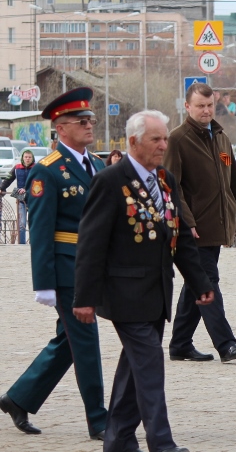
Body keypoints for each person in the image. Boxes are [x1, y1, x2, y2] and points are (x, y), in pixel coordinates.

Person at [73, 110, 215, 452]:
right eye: (156, 139)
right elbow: (91, 244)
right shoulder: (110, 180)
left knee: (132, 370)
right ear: (134, 142)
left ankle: (118, 439)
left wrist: (200, 282)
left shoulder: (165, 179)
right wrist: (84, 297)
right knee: (150, 365)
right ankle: (161, 443)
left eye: (165, 138)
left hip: (157, 295)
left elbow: (179, 238)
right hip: (125, 295)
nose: (163, 145)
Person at [0, 88, 107, 440]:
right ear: (60, 129)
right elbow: (41, 232)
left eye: (91, 119)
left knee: (69, 341)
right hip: (66, 271)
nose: (89, 125)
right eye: (81, 121)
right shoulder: (48, 172)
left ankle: (19, 398)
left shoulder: (100, 166)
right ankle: (99, 420)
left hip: (94, 267)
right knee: (86, 341)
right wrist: (42, 283)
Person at [166, 82, 236, 363]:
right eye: (200, 106)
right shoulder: (178, 140)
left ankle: (180, 343)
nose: (205, 111)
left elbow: (234, 181)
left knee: (196, 281)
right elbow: (171, 186)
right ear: (187, 107)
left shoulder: (220, 137)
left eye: (209, 106)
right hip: (194, 228)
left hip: (216, 225)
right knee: (207, 282)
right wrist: (186, 221)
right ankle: (226, 344)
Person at [0, 148, 36, 244]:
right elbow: (8, 179)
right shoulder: (17, 167)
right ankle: (22, 244)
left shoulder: (36, 168)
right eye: (26, 157)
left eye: (29, 157)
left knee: (34, 223)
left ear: (32, 158)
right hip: (21, 198)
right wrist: (1, 188)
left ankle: (34, 243)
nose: (27, 159)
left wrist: (25, 188)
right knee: (21, 224)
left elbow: (36, 182)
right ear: (22, 158)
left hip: (34, 198)